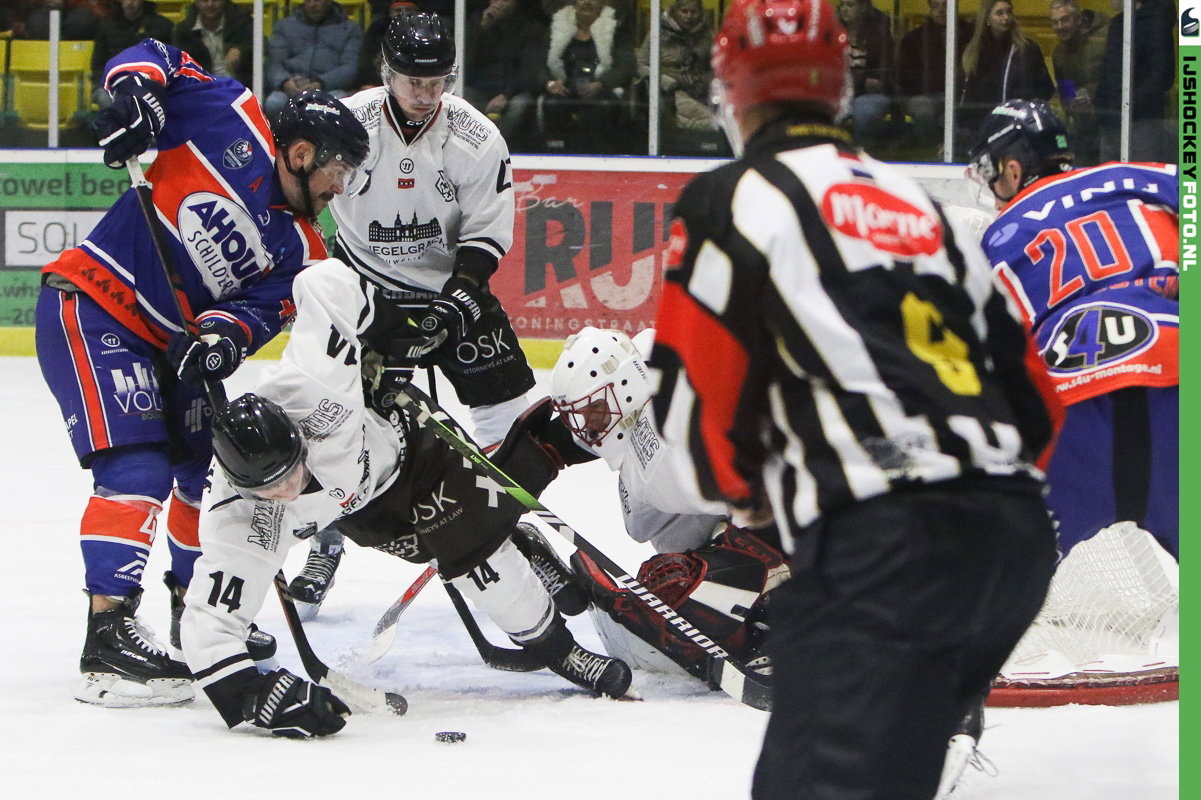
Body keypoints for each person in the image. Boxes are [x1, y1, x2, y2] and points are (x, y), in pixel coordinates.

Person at [648, 1, 1060, 797]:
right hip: (1011, 543)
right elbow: (1037, 404)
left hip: (885, 545)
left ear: (731, 91)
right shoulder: (925, 212)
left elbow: (699, 417)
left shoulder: (725, 199)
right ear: (841, 87)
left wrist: (749, 501)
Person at [35, 36, 369, 708]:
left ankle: (200, 618)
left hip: (167, 346)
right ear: (301, 156)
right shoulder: (229, 116)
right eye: (340, 171)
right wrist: (134, 93)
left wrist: (220, 339)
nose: (343, 188)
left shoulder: (301, 251)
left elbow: (252, 316)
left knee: (203, 473)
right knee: (138, 467)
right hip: (96, 306)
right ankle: (108, 635)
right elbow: (153, 52)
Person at [179, 257, 632, 738]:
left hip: (416, 447)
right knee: (453, 543)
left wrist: (387, 332)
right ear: (243, 488)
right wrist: (251, 697)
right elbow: (208, 626)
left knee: (476, 558)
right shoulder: (239, 521)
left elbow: (324, 281)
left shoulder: (313, 386)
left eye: (292, 468)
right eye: (270, 489)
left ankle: (560, 651)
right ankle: (516, 538)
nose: (288, 489)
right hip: (367, 513)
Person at [288, 12, 538, 616]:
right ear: (386, 73)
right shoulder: (351, 124)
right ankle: (327, 541)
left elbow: (485, 230)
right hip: (365, 288)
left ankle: (523, 535)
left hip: (452, 287)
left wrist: (459, 298)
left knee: (517, 416)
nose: (425, 96)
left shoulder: (477, 137)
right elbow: (307, 186)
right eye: (411, 82)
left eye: (437, 83)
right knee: (339, 425)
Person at [493, 326, 789, 680]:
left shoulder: (660, 456)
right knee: (681, 570)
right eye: (578, 417)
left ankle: (771, 623)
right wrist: (550, 450)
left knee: (684, 599)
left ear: (625, 385)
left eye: (594, 412)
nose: (586, 428)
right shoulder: (648, 374)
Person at [967, 99, 1178, 561]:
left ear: (1014, 169)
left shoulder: (997, 237)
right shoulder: (1132, 176)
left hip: (1072, 407)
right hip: (1177, 369)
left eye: (991, 172)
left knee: (989, 581)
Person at [539, 0, 637, 153]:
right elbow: (536, 62)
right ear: (575, 3)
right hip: (564, 87)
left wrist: (602, 84)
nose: (588, 2)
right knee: (553, 103)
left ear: (603, 4)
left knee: (603, 106)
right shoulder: (557, 27)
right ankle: (558, 155)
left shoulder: (616, 29)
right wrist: (550, 82)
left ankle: (600, 157)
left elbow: (627, 66)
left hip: (601, 88)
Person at [957, 0, 1053, 154]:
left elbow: (1045, 88)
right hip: (985, 133)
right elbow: (967, 98)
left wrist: (1027, 110)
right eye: (999, 13)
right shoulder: (973, 53)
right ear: (987, 19)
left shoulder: (1027, 50)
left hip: (1020, 131)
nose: (1006, 17)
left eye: (1009, 12)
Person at [1093, 0, 1176, 163]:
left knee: (1141, 177)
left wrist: (1131, 104)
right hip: (1111, 120)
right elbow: (1108, 71)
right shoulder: (1118, 24)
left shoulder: (1156, 24)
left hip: (1143, 123)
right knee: (1110, 180)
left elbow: (1162, 76)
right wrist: (1100, 106)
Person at [635, 0, 719, 152]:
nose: (689, 16)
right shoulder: (658, 33)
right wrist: (663, 80)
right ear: (675, 12)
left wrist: (708, 79)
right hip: (667, 94)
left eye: (694, 12)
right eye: (684, 11)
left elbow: (718, 68)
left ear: (701, 13)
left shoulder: (708, 36)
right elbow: (640, 65)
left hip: (701, 92)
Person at [463, 0, 547, 152]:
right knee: (463, 99)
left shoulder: (528, 27)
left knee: (521, 104)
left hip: (511, 90)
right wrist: (482, 28)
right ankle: (474, 148)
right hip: (479, 88)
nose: (499, 3)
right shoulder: (476, 22)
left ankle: (497, 147)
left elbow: (529, 69)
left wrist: (505, 95)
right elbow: (463, 61)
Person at [264, 0, 363, 118]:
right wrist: (284, 82)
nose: (312, 5)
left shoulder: (350, 29)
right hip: (291, 88)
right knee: (274, 103)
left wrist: (321, 82)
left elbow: (351, 67)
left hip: (330, 88)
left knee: (339, 103)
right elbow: (274, 63)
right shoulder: (284, 27)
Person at [895, 0, 970, 150]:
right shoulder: (915, 38)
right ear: (929, 8)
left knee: (954, 116)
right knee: (923, 109)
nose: (941, 11)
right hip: (924, 95)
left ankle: (950, 152)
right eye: (936, 6)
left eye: (945, 6)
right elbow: (904, 75)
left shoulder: (970, 34)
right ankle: (928, 152)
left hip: (960, 95)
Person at [1048, 0, 1107, 166]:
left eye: (1065, 19)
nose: (1060, 26)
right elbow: (1065, 88)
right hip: (1081, 130)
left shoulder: (1106, 37)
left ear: (1079, 18)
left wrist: (1092, 95)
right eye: (1055, 22)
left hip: (1109, 123)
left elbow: (1116, 77)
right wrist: (1070, 105)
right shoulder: (1059, 53)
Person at [90, 0, 173, 109]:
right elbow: (98, 64)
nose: (129, 3)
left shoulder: (162, 26)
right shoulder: (105, 26)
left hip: (150, 84)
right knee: (107, 99)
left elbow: (170, 63)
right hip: (113, 85)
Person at [836, 0, 893, 147]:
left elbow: (886, 69)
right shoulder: (833, 32)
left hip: (870, 94)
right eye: (842, 5)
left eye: (850, 5)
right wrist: (861, 79)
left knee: (865, 112)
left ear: (863, 8)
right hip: (840, 92)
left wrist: (870, 81)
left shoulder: (880, 33)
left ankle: (861, 152)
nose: (844, 9)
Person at [172, 0, 254, 86]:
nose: (210, 4)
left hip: (241, 86)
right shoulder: (184, 31)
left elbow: (261, 46)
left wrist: (241, 50)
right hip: (202, 87)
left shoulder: (242, 21)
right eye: (204, 0)